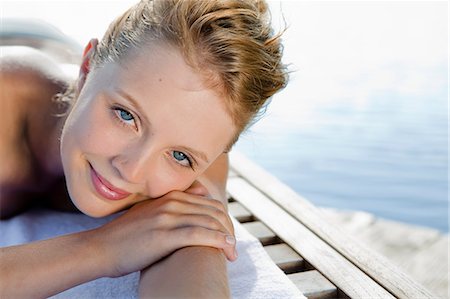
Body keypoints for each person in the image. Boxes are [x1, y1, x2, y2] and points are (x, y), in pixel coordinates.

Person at [0, 0, 287, 297]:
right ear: (87, 69)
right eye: (126, 116)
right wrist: (102, 249)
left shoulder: (196, 154)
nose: (132, 171)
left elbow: (192, 250)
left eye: (179, 155)